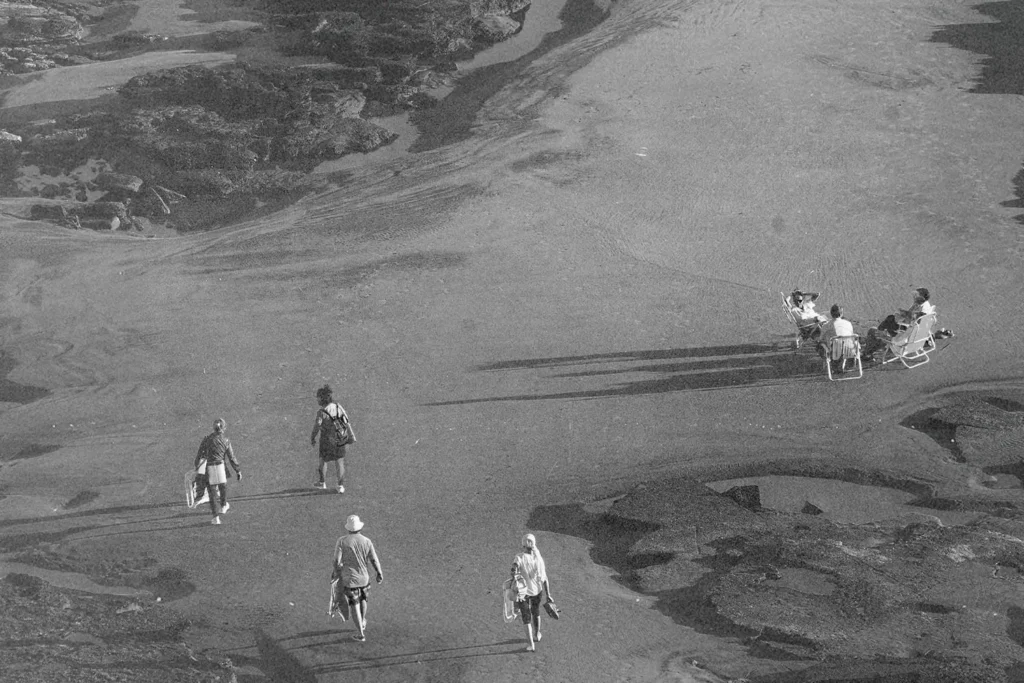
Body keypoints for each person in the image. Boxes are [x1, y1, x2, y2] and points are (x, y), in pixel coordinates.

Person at [333, 515, 384, 642]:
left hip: (349, 579)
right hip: (364, 578)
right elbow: (374, 559)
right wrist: (379, 572)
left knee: (354, 605)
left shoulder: (342, 541)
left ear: (348, 528)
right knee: (363, 600)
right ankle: (363, 621)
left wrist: (336, 571)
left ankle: (361, 633)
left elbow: (336, 561)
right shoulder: (367, 541)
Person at [861, 287, 935, 360]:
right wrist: (904, 313)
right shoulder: (924, 309)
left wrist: (885, 336)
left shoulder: (912, 328)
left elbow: (899, 341)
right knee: (890, 319)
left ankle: (867, 354)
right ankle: (875, 338)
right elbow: (912, 316)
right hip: (915, 341)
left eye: (916, 296)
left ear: (921, 298)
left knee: (873, 331)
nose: (914, 297)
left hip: (901, 342)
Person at [511, 533, 553, 652]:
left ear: (523, 544)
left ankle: (531, 645)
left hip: (524, 593)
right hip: (537, 591)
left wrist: (514, 576)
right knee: (536, 611)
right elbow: (545, 579)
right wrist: (548, 595)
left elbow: (513, 568)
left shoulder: (519, 557)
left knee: (526, 618)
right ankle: (537, 634)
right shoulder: (539, 559)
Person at [195, 419, 241, 526]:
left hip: (210, 467)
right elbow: (232, 458)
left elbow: (200, 455)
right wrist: (237, 470)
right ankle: (224, 506)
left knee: (212, 494)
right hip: (221, 467)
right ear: (223, 428)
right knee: (222, 487)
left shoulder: (206, 440)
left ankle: (216, 517)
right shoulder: (226, 441)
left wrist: (197, 468)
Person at [310, 384, 352, 493]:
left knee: (323, 460)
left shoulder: (321, 412)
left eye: (318, 397)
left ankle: (322, 482)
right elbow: (346, 421)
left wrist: (313, 437)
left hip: (326, 440)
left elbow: (317, 426)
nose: (317, 399)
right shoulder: (338, 407)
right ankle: (340, 486)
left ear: (322, 398)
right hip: (340, 438)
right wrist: (351, 436)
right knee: (339, 461)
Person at [817, 304, 856, 374]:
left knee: (820, 345)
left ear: (831, 314)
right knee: (844, 342)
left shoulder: (826, 325)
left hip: (835, 352)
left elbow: (821, 339)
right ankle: (842, 364)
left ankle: (831, 365)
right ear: (841, 314)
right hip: (850, 350)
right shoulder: (848, 323)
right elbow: (851, 335)